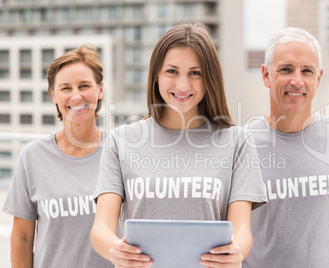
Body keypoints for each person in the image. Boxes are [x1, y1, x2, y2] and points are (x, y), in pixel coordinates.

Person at [90, 23, 267, 268]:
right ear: (156, 76)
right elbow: (101, 228)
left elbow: (242, 231)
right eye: (172, 71)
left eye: (195, 73)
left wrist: (235, 252)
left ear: (210, 78)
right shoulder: (121, 141)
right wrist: (115, 250)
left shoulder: (237, 142)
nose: (183, 85)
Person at [243, 27, 329, 268]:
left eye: (307, 71)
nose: (297, 80)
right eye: (286, 69)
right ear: (266, 75)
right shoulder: (242, 145)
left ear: (318, 78)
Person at [2, 44, 115, 267]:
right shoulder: (32, 157)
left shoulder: (119, 152)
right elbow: (22, 237)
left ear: (100, 90)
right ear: (53, 94)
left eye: (84, 86)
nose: (76, 96)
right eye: (65, 88)